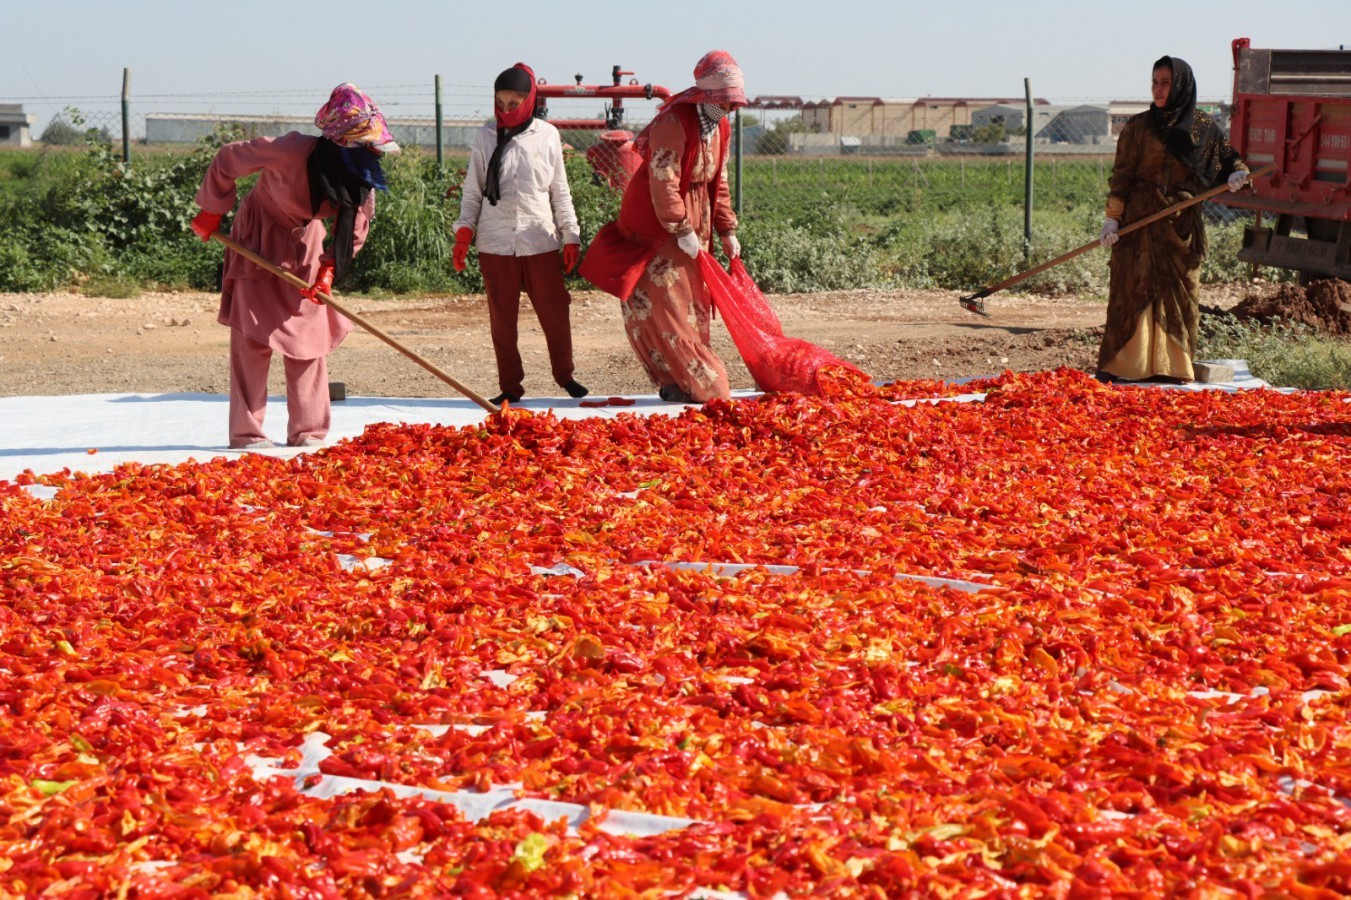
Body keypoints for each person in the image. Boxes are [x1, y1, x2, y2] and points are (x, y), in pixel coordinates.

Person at [190, 83, 397, 449]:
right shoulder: (289, 150)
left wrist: (329, 269)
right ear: (338, 141)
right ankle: (247, 432)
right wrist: (211, 210)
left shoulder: (360, 173)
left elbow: (356, 223)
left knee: (308, 337)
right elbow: (228, 159)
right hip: (260, 234)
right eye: (361, 142)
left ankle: (308, 430)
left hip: (307, 247)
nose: (369, 151)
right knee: (253, 337)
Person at [578, 50, 745, 403]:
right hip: (658, 223)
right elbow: (663, 178)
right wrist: (680, 228)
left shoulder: (721, 127)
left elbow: (720, 180)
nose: (729, 109)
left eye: (732, 103)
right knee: (666, 304)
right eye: (724, 102)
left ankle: (683, 381)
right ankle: (695, 383)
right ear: (706, 96)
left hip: (695, 220)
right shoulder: (675, 122)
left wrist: (727, 229)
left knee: (692, 303)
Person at [1096, 56, 1249, 384]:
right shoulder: (1138, 127)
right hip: (1139, 222)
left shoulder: (1201, 127)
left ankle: (1173, 365)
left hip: (1180, 227)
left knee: (1179, 295)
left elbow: (1229, 159)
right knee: (1133, 288)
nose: (1158, 89)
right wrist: (1112, 219)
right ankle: (1129, 366)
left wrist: (1238, 173)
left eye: (1165, 82)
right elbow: (1121, 176)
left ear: (1180, 85)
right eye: (1154, 82)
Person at [452, 63, 587, 406]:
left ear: (529, 102)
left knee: (555, 309)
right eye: (502, 103)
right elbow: (473, 192)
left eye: (515, 104)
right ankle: (511, 386)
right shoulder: (485, 136)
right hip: (495, 241)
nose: (508, 110)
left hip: (539, 237)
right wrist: (464, 232)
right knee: (502, 316)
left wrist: (570, 234)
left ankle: (565, 375)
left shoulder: (547, 135)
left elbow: (560, 190)